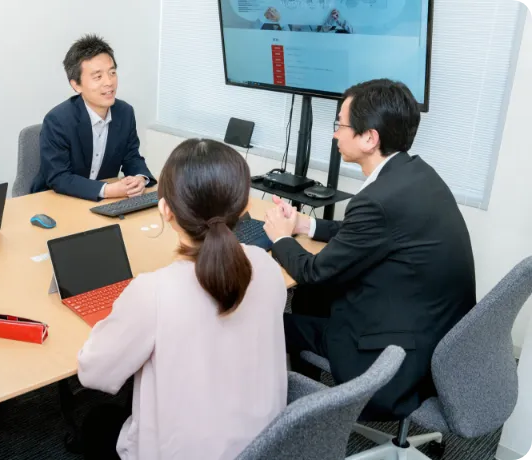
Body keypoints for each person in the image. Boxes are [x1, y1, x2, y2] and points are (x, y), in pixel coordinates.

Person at [263, 79, 475, 420]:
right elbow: (369, 233)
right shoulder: (415, 174)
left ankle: (303, 416)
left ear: (369, 138)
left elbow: (314, 272)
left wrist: (281, 238)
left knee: (273, 322)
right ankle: (309, 402)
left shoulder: (377, 201)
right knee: (310, 299)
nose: (335, 134)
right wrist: (306, 225)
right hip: (432, 337)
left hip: (393, 362)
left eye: (340, 125)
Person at [77, 139, 288, 459]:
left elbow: (93, 373)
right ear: (244, 206)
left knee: (97, 421)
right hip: (264, 445)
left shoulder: (154, 291)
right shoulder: (268, 267)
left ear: (165, 210)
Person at [30, 34, 156, 201]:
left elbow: (131, 157)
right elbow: (59, 177)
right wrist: (107, 190)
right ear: (76, 85)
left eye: (112, 73)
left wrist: (140, 178)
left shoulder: (124, 113)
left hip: (98, 203)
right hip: (56, 200)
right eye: (98, 77)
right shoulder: (58, 121)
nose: (109, 82)